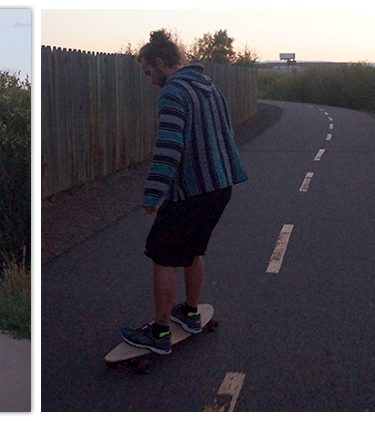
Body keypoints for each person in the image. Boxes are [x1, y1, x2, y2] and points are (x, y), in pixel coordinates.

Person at [120, 30, 248, 355]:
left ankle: (160, 332)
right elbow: (227, 133)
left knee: (161, 253)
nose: (150, 81)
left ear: (160, 63)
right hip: (220, 187)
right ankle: (190, 314)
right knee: (192, 249)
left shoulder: (173, 92)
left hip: (193, 190)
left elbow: (168, 147)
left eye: (149, 73)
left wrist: (153, 194)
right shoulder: (209, 87)